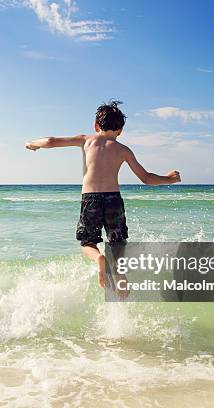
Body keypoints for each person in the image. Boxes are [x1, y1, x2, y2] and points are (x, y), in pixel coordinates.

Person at [25, 100, 181, 288]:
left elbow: (51, 141)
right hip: (113, 199)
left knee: (87, 243)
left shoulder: (86, 140)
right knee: (118, 242)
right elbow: (146, 178)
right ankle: (119, 274)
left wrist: (34, 144)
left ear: (96, 125)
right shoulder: (123, 150)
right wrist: (169, 179)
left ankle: (99, 258)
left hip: (90, 199)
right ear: (120, 130)